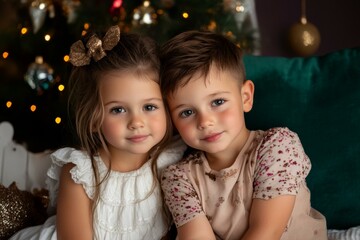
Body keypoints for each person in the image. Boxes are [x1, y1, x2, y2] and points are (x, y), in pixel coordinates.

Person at [10, 25, 186, 240]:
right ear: (93, 119)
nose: (137, 122)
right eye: (118, 110)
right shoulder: (81, 173)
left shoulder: (172, 160)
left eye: (149, 107)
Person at [159, 30, 328, 240]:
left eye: (218, 102)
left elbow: (267, 232)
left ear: (245, 97)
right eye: (187, 112)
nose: (205, 122)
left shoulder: (278, 146)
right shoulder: (178, 178)